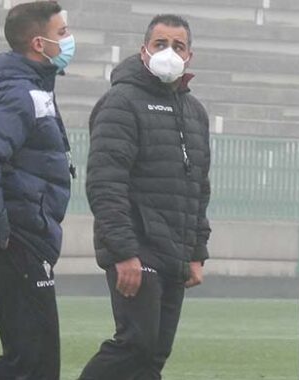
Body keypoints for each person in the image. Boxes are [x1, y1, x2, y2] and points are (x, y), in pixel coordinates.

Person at [78, 14, 212, 380]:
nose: (168, 52)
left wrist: (197, 252)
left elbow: (198, 187)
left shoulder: (195, 112)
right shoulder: (121, 102)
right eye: (160, 44)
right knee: (135, 344)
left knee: (153, 356)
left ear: (189, 56)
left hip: (175, 252)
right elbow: (105, 182)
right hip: (137, 248)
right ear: (143, 51)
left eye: (178, 46)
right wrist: (124, 251)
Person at [0, 1, 75, 379]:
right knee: (29, 364)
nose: (69, 40)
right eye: (62, 33)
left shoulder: (33, 90)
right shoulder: (18, 93)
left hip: (28, 236)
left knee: (36, 364)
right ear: (39, 44)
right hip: (16, 239)